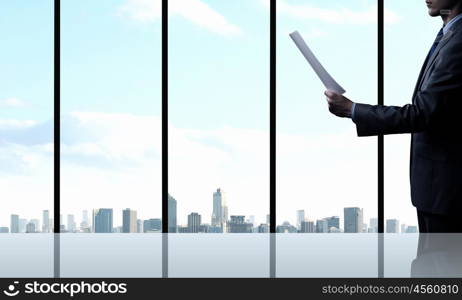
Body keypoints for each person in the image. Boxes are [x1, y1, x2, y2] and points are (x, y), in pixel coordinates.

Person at [324, 0, 462, 233]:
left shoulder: (458, 41)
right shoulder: (449, 35)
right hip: (437, 193)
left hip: (447, 197)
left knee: (439, 267)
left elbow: (422, 113)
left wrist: (353, 110)